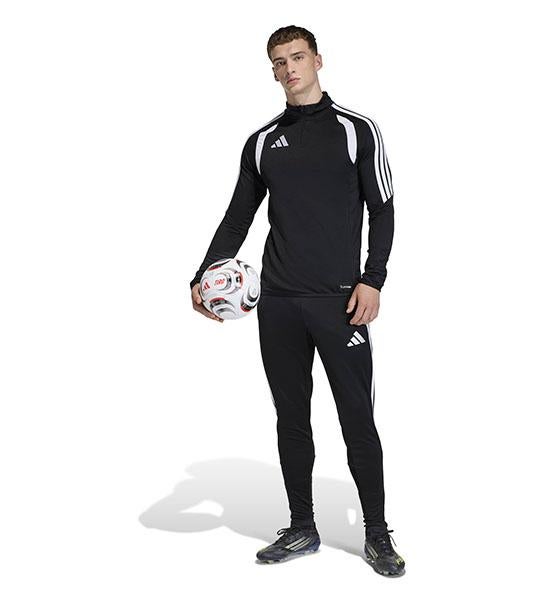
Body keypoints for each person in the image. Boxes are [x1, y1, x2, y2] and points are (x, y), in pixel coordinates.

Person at [189, 25, 405, 577]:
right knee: (291, 417)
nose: (289, 69)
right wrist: (202, 275)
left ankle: (376, 533)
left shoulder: (356, 130)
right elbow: (238, 216)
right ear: (273, 72)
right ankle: (302, 526)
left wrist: (373, 279)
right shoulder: (263, 141)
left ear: (317, 61)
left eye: (297, 57)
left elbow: (382, 208)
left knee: (357, 418)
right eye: (279, 62)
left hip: (341, 302)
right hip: (279, 303)